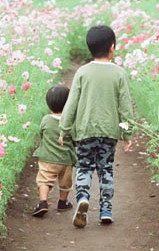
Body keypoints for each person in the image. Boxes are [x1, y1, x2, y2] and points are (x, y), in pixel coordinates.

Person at [58, 25, 134, 227]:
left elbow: (72, 102)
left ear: (89, 48)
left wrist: (64, 129)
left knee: (84, 166)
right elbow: (125, 105)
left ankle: (82, 198)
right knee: (106, 169)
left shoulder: (83, 72)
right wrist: (127, 133)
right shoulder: (119, 73)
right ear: (112, 48)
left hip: (85, 130)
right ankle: (106, 209)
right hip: (109, 131)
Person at [31, 86, 77, 217]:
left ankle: (43, 202)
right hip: (65, 159)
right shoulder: (70, 122)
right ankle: (63, 202)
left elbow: (41, 134)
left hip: (47, 158)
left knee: (44, 180)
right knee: (65, 182)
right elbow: (75, 139)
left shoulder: (46, 119)